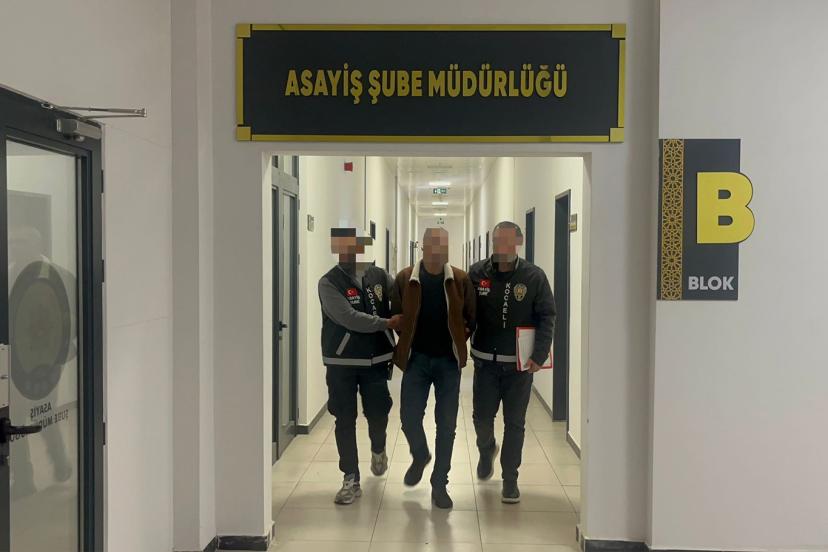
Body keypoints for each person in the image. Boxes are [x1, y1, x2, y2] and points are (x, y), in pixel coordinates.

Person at [468, 221, 556, 503]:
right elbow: (465, 313)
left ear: (518, 242)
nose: (502, 247)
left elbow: (547, 315)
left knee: (514, 423)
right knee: (482, 419)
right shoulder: (477, 273)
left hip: (519, 366)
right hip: (485, 363)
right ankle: (486, 449)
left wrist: (539, 355)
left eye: (508, 241)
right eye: (497, 241)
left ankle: (510, 479)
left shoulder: (534, 276)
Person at [391, 227, 475, 509]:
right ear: (423, 247)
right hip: (416, 360)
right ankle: (420, 454)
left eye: (443, 245)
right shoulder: (405, 279)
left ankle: (440, 483)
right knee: (408, 418)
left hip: (448, 363)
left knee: (447, 425)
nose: (438, 250)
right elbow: (397, 316)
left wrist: (459, 340)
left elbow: (471, 318)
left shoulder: (460, 280)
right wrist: (405, 343)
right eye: (433, 244)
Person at [318, 227, 403, 505]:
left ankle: (378, 449)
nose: (348, 251)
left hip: (376, 360)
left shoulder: (378, 275)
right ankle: (350, 478)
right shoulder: (329, 282)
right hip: (341, 362)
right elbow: (348, 317)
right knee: (344, 419)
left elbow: (401, 294)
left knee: (378, 413)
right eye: (342, 246)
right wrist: (387, 323)